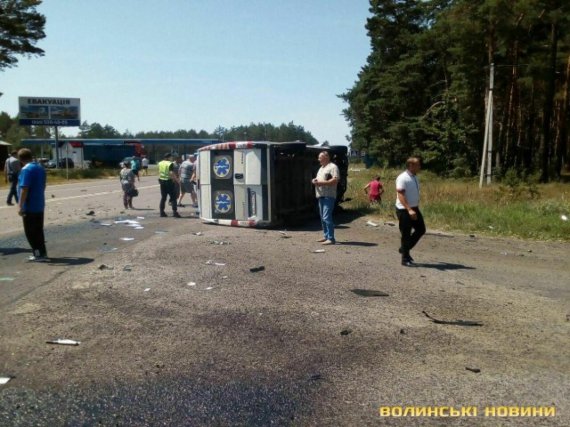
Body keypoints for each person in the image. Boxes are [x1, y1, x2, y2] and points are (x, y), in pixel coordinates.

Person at [17, 148, 48, 262]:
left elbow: (24, 188)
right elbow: (44, 185)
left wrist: (20, 205)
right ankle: (42, 253)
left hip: (29, 206)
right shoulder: (40, 168)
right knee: (38, 230)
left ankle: (38, 254)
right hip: (39, 203)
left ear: (20, 159)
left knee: (30, 232)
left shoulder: (26, 169)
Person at [396, 157, 426, 266]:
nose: (420, 166)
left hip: (414, 208)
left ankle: (404, 249)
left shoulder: (414, 177)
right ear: (411, 165)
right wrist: (409, 209)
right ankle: (405, 259)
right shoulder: (402, 178)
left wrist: (413, 209)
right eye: (418, 165)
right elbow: (400, 195)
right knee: (406, 234)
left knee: (421, 229)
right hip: (404, 209)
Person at [312, 151, 339, 245]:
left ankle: (331, 239)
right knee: (322, 217)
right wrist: (314, 180)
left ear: (326, 157)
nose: (318, 159)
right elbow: (319, 179)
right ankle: (326, 236)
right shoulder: (321, 168)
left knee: (326, 217)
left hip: (329, 195)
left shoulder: (333, 167)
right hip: (321, 195)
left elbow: (335, 180)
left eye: (320, 157)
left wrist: (321, 183)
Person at [158, 152, 181, 218]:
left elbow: (160, 171)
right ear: (168, 157)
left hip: (162, 181)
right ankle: (175, 212)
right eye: (171, 157)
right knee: (173, 197)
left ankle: (161, 212)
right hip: (169, 181)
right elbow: (171, 173)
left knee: (163, 197)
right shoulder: (170, 163)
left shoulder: (160, 163)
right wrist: (177, 180)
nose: (172, 158)